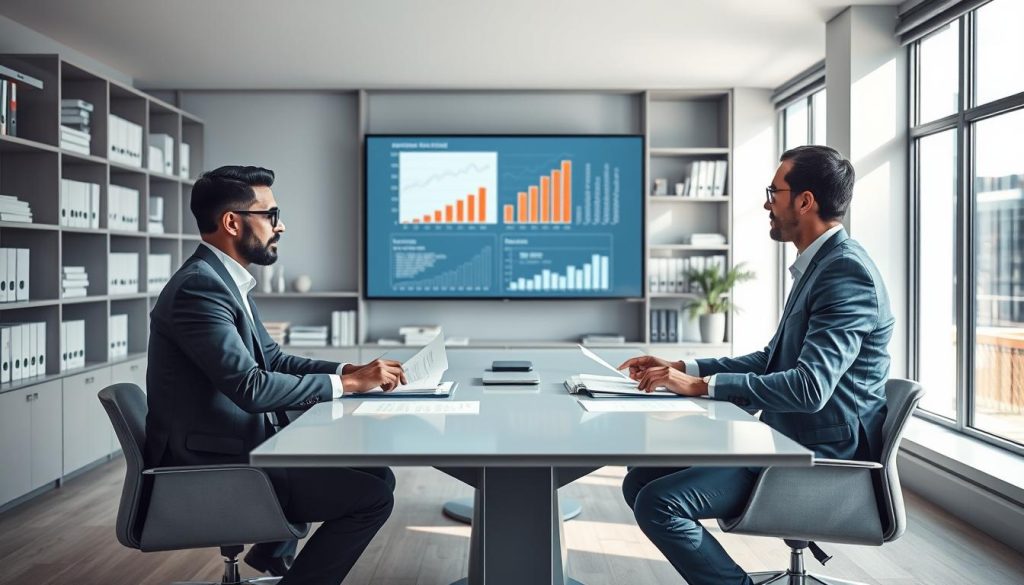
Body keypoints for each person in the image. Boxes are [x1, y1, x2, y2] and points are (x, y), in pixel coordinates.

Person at [617, 145, 893, 585]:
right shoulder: (820, 265)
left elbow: (809, 388)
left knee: (658, 502)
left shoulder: (845, 273)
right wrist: (682, 365)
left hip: (819, 460)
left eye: (774, 191)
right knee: (640, 481)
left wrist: (702, 386)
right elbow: (772, 359)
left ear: (805, 201)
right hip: (785, 441)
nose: (767, 203)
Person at [145, 165, 407, 585]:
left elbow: (274, 361)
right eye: (270, 215)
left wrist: (348, 370)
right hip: (212, 464)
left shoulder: (223, 281)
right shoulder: (199, 288)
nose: (280, 226)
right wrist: (349, 385)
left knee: (376, 473)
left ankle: (272, 552)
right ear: (231, 222)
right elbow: (250, 387)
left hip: (235, 444)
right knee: (372, 498)